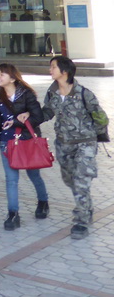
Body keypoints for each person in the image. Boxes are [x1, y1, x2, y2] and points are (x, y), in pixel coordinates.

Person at [40, 55, 109, 239]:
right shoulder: (52, 92)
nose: (50, 70)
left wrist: (94, 136)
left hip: (85, 144)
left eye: (53, 67)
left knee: (81, 181)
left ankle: (81, 221)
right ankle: (86, 205)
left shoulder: (84, 93)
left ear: (65, 71)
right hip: (63, 144)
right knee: (69, 179)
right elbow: (47, 111)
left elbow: (101, 117)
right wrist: (29, 118)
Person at [0, 63, 49, 230]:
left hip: (25, 142)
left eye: (2, 74)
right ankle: (13, 214)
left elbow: (38, 116)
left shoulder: (26, 94)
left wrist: (19, 121)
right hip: (6, 142)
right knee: (11, 180)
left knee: (34, 175)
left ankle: (43, 202)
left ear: (12, 78)